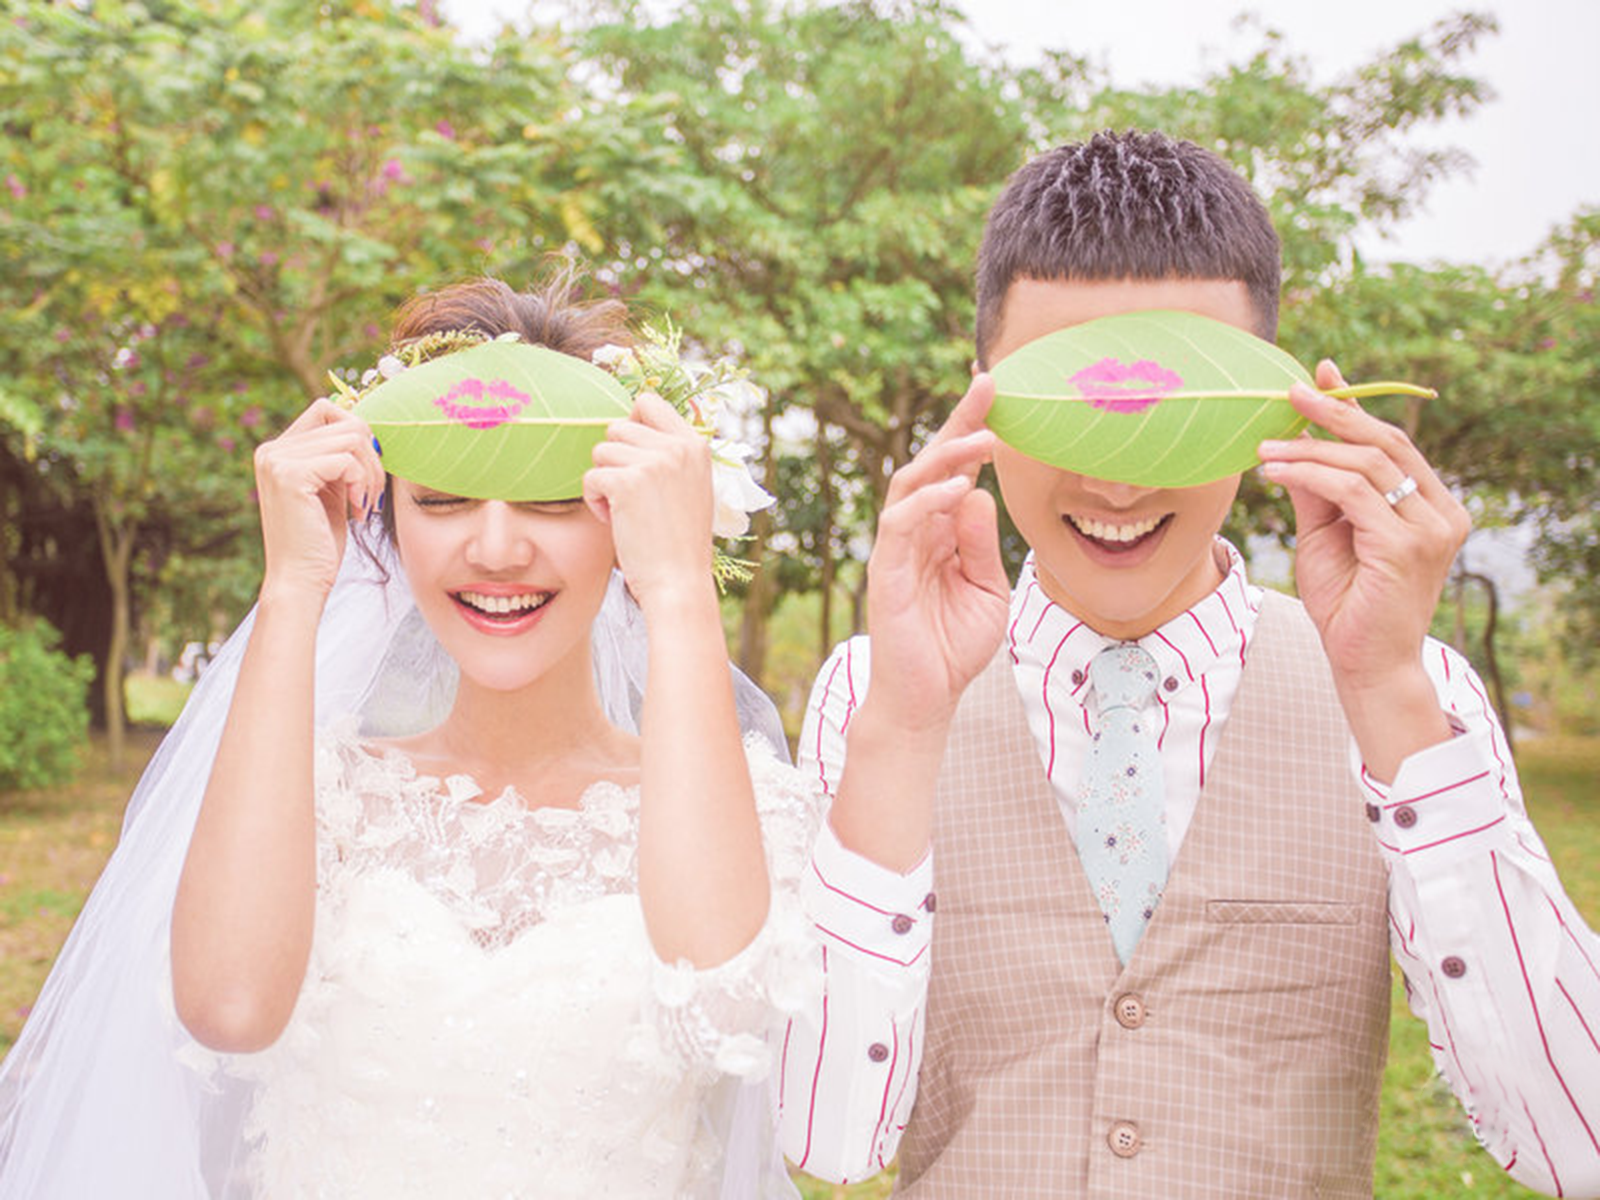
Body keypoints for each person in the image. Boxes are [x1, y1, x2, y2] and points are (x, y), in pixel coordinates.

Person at [778, 131, 1600, 1197]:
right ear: (982, 398)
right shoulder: (870, 693)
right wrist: (900, 730)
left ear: (1271, 405)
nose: (1120, 483)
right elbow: (827, 1142)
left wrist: (1386, 691)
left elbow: (1579, 1140)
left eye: (1174, 415)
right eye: (1077, 407)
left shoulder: (1415, 693)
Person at [0, 270, 818, 1198]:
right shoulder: (325, 799)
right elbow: (228, 1010)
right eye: (444, 499)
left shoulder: (745, 807)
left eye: (553, 499)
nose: (498, 549)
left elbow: (719, 1013)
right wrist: (293, 586)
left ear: (627, 520)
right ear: (385, 516)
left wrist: (677, 589)